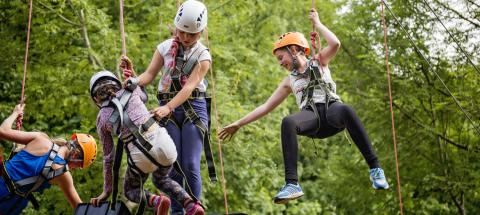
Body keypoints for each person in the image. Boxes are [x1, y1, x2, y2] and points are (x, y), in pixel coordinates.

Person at [218, 8, 389, 204]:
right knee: (288, 122)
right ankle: (292, 184)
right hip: (312, 119)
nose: (280, 63)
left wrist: (318, 23)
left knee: (347, 109)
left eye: (281, 57)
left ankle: (375, 169)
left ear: (293, 50)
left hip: (333, 112)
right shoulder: (288, 81)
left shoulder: (320, 61)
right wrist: (238, 124)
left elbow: (336, 43)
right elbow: (265, 107)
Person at [121, 0, 212, 214]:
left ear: (201, 32)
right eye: (182, 32)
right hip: (166, 108)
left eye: (192, 34)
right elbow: (150, 75)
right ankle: (177, 212)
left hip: (193, 109)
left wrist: (168, 107)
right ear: (176, 27)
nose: (186, 38)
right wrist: (134, 80)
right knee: (172, 163)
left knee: (189, 163)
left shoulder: (203, 56)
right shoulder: (164, 48)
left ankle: (193, 208)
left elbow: (189, 86)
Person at [89, 70, 204, 215]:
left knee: (131, 190)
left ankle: (156, 201)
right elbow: (144, 96)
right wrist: (134, 78)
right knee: (161, 179)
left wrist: (107, 191)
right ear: (117, 84)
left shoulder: (101, 119)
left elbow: (108, 159)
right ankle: (191, 205)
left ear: (96, 98)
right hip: (165, 145)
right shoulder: (131, 90)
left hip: (140, 156)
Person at [0, 103, 97, 214]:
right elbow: (80, 209)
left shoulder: (41, 137)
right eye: (79, 165)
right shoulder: (62, 172)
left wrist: (15, 112)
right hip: (5, 200)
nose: (75, 168)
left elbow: (2, 131)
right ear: (75, 155)